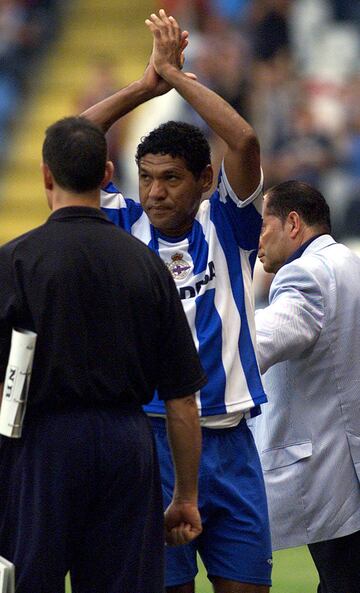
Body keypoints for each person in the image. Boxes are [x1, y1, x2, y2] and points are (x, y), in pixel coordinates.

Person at [83, 9, 272, 593]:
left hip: (232, 441)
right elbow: (72, 141)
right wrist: (145, 85)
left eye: (170, 177)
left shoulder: (228, 223)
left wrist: (178, 75)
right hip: (152, 441)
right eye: (147, 176)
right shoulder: (122, 223)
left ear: (205, 179)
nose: (156, 191)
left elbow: (243, 138)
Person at [0, 116, 207, 593]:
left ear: (46, 176)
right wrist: (185, 496)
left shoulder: (17, 260)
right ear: (108, 173)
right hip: (126, 442)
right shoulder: (148, 265)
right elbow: (181, 400)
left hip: (42, 444)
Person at [253, 180, 360, 593]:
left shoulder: (305, 273)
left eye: (263, 226)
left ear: (293, 223)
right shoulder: (348, 263)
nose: (256, 240)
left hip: (334, 478)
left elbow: (266, 339)